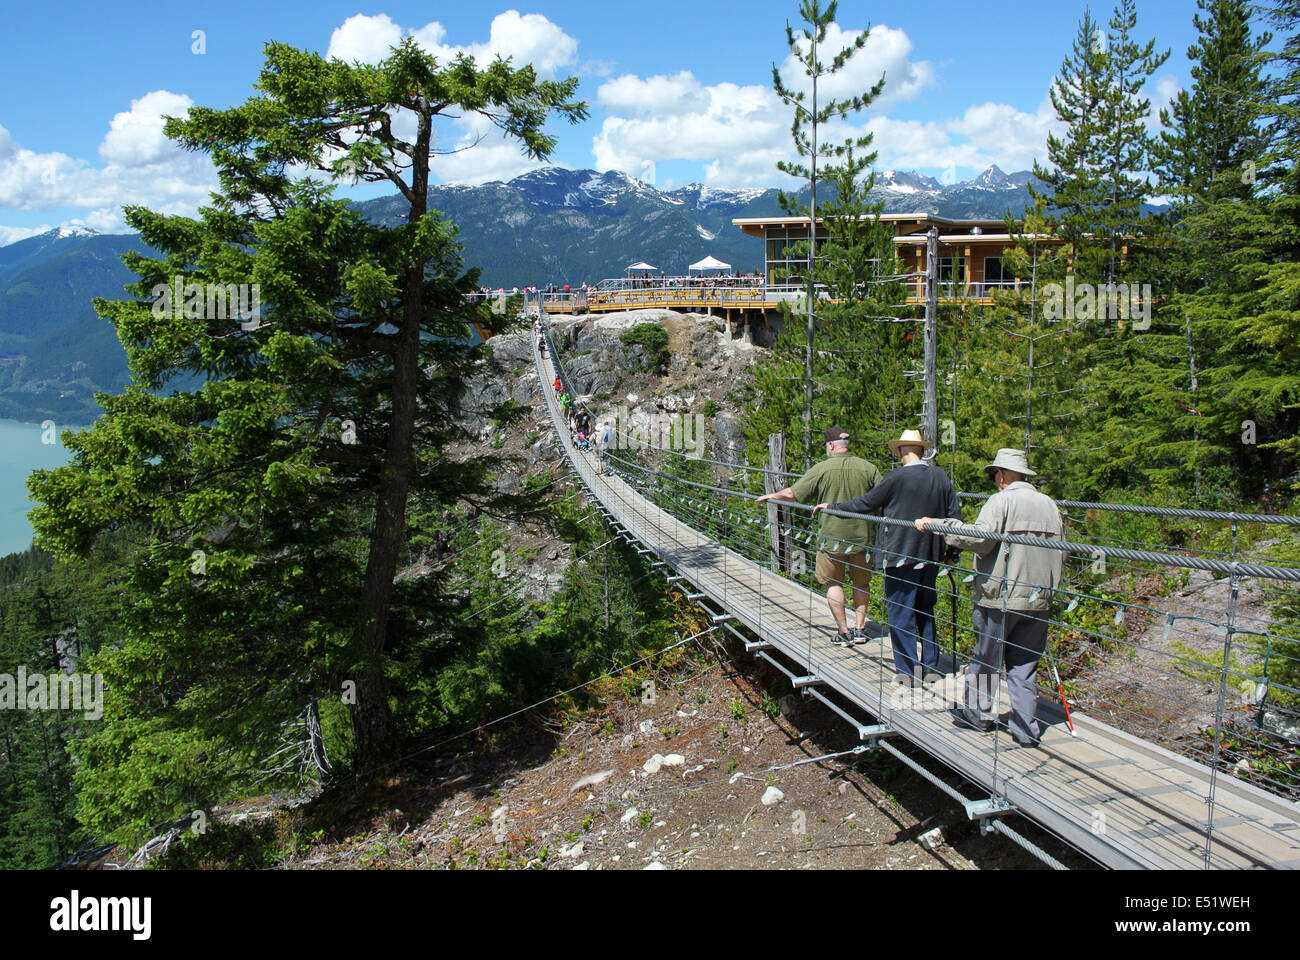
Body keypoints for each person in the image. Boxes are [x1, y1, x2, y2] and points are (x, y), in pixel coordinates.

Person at [915, 449, 1064, 747]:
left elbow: (980, 539)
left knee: (986, 658)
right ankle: (1025, 729)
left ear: (1005, 475)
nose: (995, 480)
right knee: (1025, 665)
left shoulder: (1002, 501)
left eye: (995, 474)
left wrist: (941, 526)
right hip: (1040, 599)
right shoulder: (1050, 505)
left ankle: (977, 714)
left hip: (1001, 596)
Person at [816, 429, 959, 684]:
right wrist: (953, 554)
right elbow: (954, 517)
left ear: (902, 450)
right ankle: (932, 667)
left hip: (900, 555)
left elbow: (865, 503)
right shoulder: (940, 476)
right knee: (925, 610)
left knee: (900, 614)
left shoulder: (896, 478)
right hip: (931, 556)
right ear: (921, 450)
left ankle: (907, 673)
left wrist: (833, 507)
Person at [757, 426, 882, 647]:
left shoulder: (822, 469)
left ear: (831, 445)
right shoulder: (868, 468)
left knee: (833, 583)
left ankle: (844, 632)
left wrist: (772, 496)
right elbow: (882, 498)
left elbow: (792, 494)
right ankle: (860, 629)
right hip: (863, 538)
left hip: (831, 538)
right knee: (861, 584)